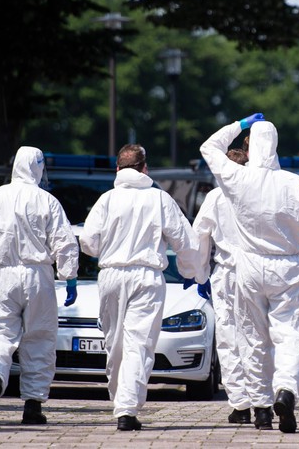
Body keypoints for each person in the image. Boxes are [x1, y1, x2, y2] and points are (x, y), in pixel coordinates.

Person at [200, 114, 299, 434]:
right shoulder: (293, 184)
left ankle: (261, 408)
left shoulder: (236, 179)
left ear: (252, 147)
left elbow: (209, 147)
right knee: (290, 334)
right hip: (287, 267)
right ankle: (286, 390)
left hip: (248, 267)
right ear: (276, 145)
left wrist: (238, 125)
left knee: (252, 338)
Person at [80, 143, 207, 432]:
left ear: (117, 168)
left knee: (114, 344)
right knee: (139, 344)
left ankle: (120, 401)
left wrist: (109, 249)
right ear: (145, 168)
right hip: (147, 277)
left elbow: (87, 242)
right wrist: (194, 274)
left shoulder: (107, 200)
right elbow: (185, 242)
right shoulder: (160, 200)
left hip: (111, 274)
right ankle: (126, 407)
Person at [0, 146, 79, 425]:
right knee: (39, 338)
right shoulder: (47, 201)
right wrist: (69, 275)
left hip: (0, 276)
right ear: (38, 168)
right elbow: (64, 241)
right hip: (38, 276)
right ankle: (33, 405)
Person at [192, 147, 251, 425]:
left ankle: (240, 404)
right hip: (255, 272)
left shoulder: (215, 197)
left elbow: (200, 236)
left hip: (226, 273)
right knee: (256, 336)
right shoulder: (257, 193)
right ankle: (261, 395)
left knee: (228, 338)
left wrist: (200, 274)